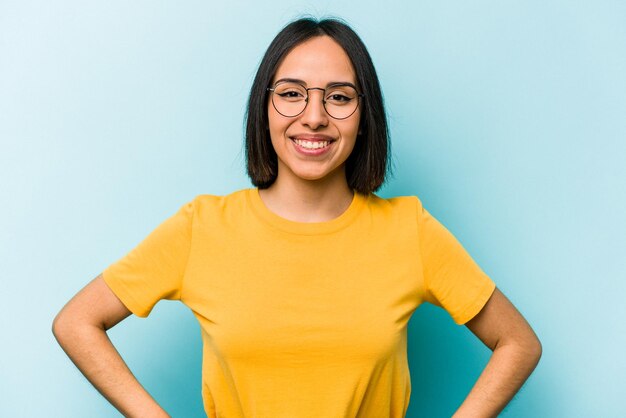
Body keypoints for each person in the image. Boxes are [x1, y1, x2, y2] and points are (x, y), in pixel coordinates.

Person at [52, 16, 542, 418]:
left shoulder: (408, 230)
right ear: (264, 108)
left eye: (339, 96)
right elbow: (77, 322)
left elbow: (518, 343)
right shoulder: (202, 227)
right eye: (291, 93)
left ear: (362, 114)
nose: (313, 117)